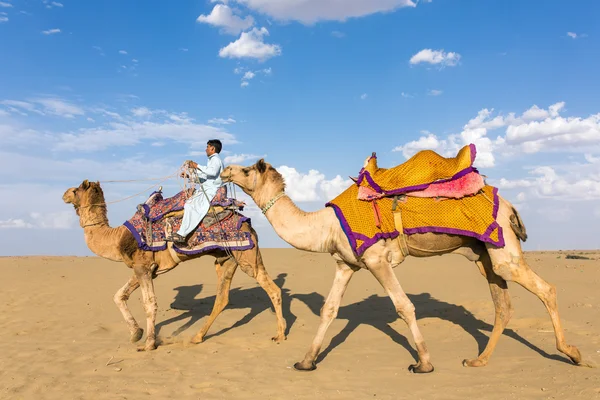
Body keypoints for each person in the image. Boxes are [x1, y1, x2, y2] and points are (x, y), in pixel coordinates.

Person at [167, 139, 224, 244]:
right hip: (205, 189)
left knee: (190, 206)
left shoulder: (216, 159)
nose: (206, 149)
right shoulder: (211, 160)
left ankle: (182, 234)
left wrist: (196, 166)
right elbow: (204, 178)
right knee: (188, 204)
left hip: (210, 191)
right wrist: (189, 176)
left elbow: (212, 172)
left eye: (207, 147)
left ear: (213, 148)